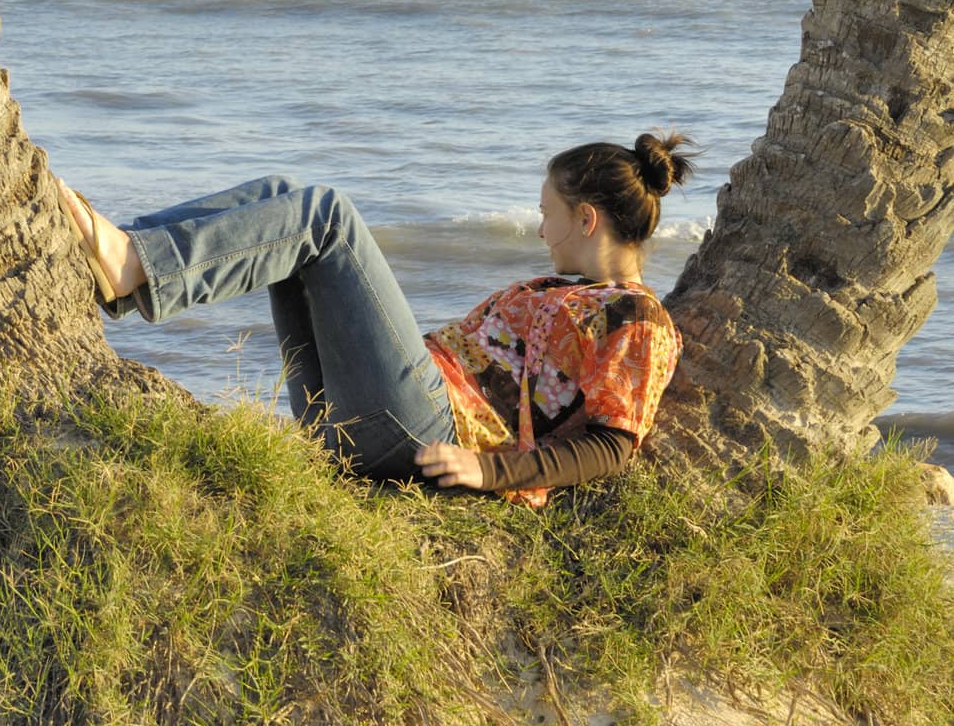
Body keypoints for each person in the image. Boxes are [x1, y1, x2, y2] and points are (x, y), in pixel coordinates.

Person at [56, 129, 695, 507]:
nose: (538, 227)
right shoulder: (566, 285)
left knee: (326, 215)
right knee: (282, 194)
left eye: (547, 211)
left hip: (421, 431)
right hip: (378, 415)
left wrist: (488, 470)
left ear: (587, 219)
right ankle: (120, 269)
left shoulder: (636, 319)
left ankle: (133, 266)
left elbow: (614, 445)